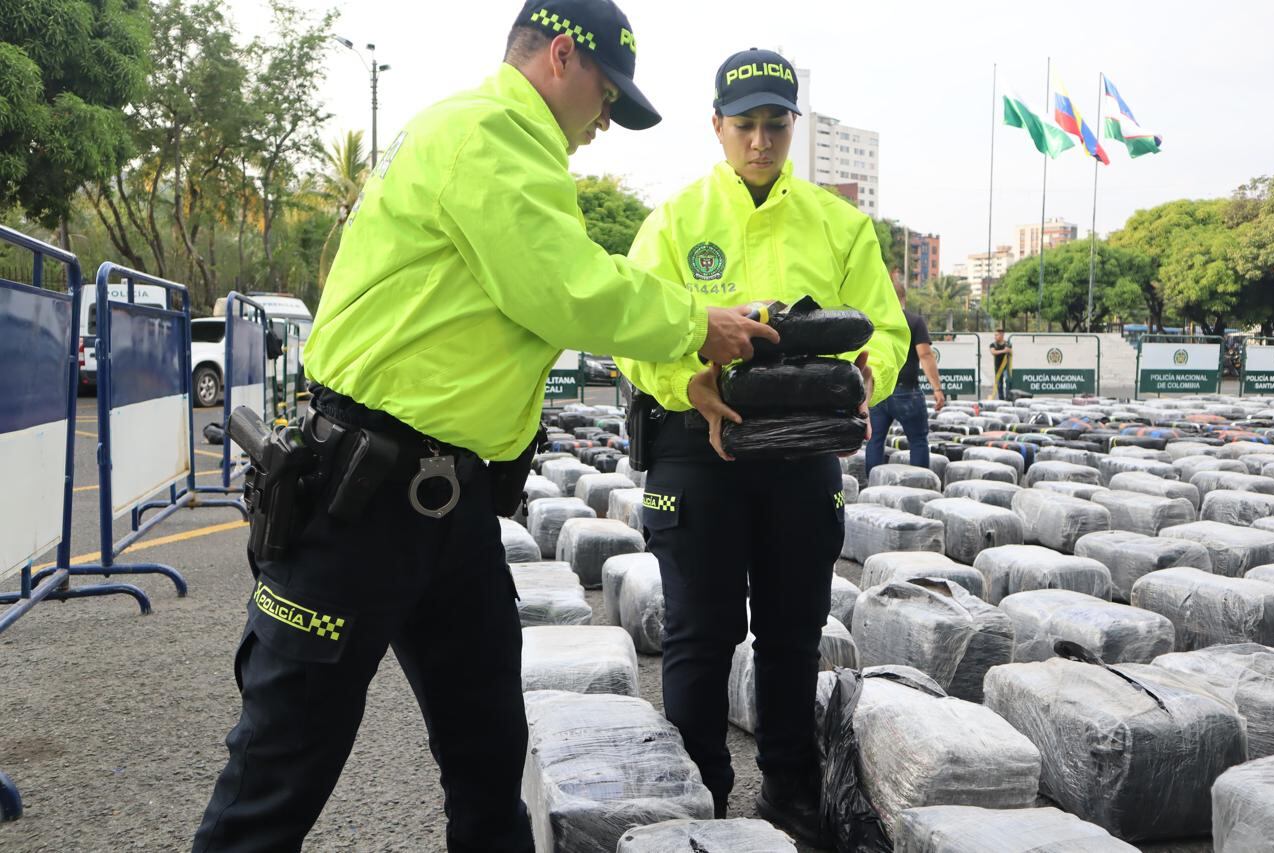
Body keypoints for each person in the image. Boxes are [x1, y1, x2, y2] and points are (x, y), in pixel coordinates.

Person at [192, 3, 777, 851]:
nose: (605, 121)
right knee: (281, 767)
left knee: (489, 752)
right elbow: (565, 288)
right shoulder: (487, 133)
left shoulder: (518, 154)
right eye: (608, 97)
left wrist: (676, 361)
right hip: (360, 499)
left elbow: (529, 303)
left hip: (447, 508)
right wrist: (700, 323)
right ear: (562, 58)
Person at [614, 48, 908, 846]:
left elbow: (882, 324)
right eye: (744, 125)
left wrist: (865, 368)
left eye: (775, 124)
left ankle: (790, 790)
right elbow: (631, 333)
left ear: (792, 127)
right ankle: (700, 791)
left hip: (802, 455)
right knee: (699, 632)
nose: (759, 141)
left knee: (791, 631)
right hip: (696, 448)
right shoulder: (674, 222)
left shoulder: (840, 224)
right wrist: (687, 381)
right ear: (717, 126)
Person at [864, 281, 945, 474]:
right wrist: (937, 388)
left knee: (875, 440)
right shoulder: (914, 321)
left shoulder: (872, 321)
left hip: (878, 389)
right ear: (903, 299)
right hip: (906, 390)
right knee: (917, 441)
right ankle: (919, 486)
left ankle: (873, 485)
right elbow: (925, 355)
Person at [990, 328, 1013, 400]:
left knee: (1007, 380)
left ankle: (1008, 398)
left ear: (1002, 335)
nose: (995, 337)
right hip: (998, 366)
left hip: (1006, 366)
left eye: (997, 335)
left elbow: (1010, 351)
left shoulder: (1007, 343)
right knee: (999, 384)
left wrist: (1008, 350)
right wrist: (1004, 351)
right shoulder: (993, 344)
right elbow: (993, 352)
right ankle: (1001, 399)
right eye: (995, 335)